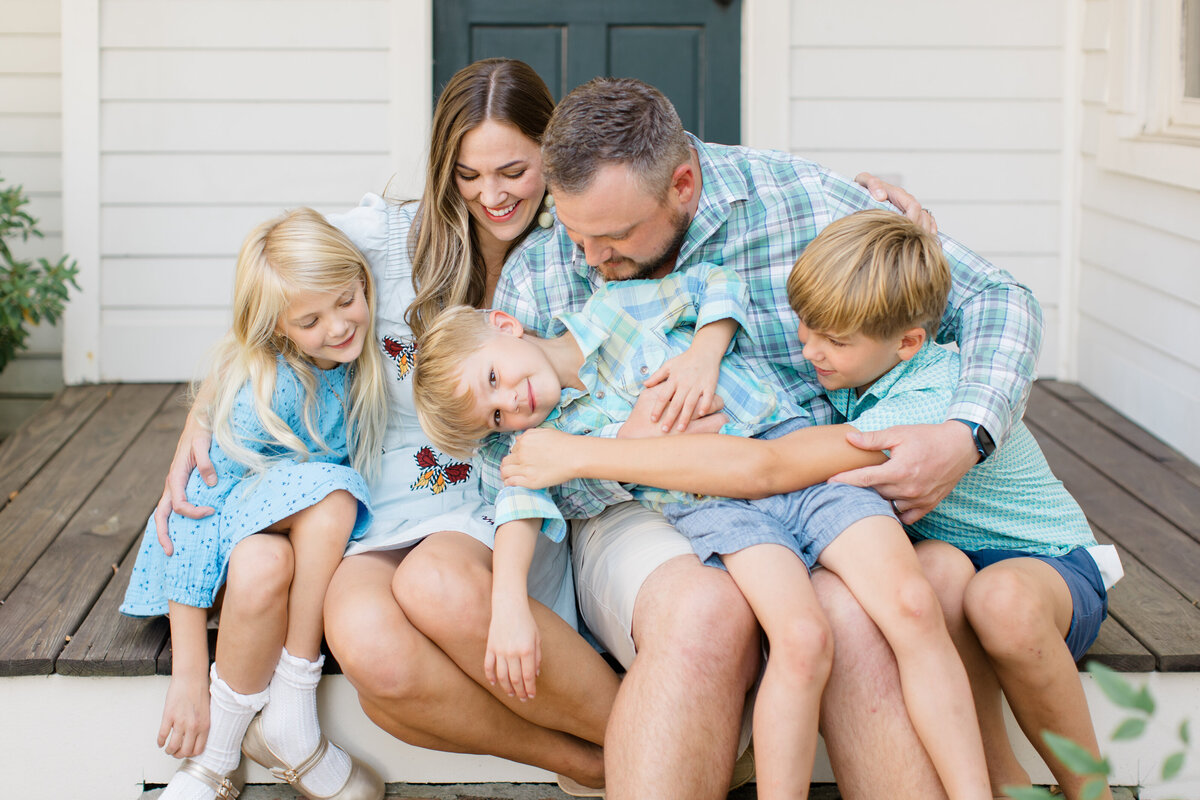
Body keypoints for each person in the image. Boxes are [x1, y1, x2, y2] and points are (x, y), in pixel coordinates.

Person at [154, 58, 932, 797]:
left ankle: (652, 742)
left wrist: (873, 213)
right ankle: (603, 755)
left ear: (552, 160)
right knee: (367, 645)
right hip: (406, 490)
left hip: (518, 493)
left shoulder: (584, 258)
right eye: (468, 175)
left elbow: (708, 305)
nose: (492, 196)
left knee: (439, 586)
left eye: (515, 172)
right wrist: (205, 413)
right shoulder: (393, 241)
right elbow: (277, 289)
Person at [489, 77, 1045, 800]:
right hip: (638, 504)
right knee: (702, 613)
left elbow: (995, 298)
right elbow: (506, 458)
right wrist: (627, 453)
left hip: (805, 468)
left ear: (683, 184)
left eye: (617, 237)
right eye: (575, 233)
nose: (591, 258)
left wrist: (965, 434)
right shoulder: (540, 270)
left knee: (857, 616)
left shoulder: (799, 201)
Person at [411, 254, 991, 798]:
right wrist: (508, 605)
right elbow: (519, 506)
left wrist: (703, 355)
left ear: (506, 325)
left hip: (797, 457)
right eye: (494, 416)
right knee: (801, 638)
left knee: (911, 602)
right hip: (713, 504)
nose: (511, 402)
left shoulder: (615, 310)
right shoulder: (541, 437)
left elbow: (715, 283)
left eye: (493, 380)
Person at [121, 209, 388, 800]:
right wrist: (190, 673)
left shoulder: (359, 360)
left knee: (271, 557)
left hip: (277, 546)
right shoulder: (265, 388)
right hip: (208, 554)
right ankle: (271, 716)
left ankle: (237, 753)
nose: (341, 325)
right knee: (334, 495)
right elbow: (193, 515)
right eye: (312, 319)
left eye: (348, 299)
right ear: (278, 330)